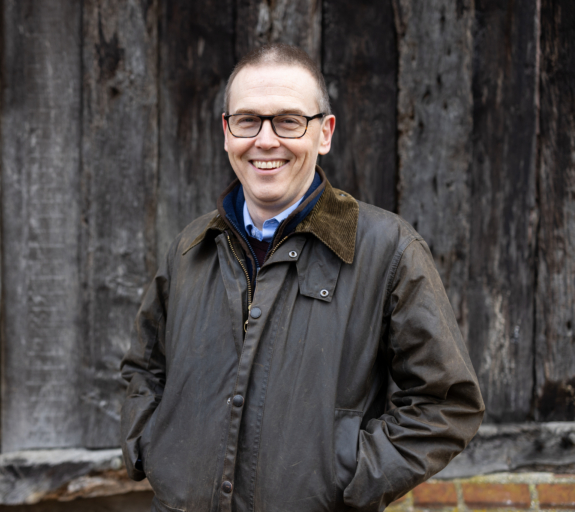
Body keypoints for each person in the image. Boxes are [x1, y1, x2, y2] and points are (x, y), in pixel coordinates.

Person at [120, 43, 484, 512]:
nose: (266, 140)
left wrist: (347, 479)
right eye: (248, 120)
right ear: (227, 132)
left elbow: (447, 402)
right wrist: (151, 447)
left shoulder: (387, 249)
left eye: (288, 121)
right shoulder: (191, 247)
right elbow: (143, 369)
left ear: (324, 132)